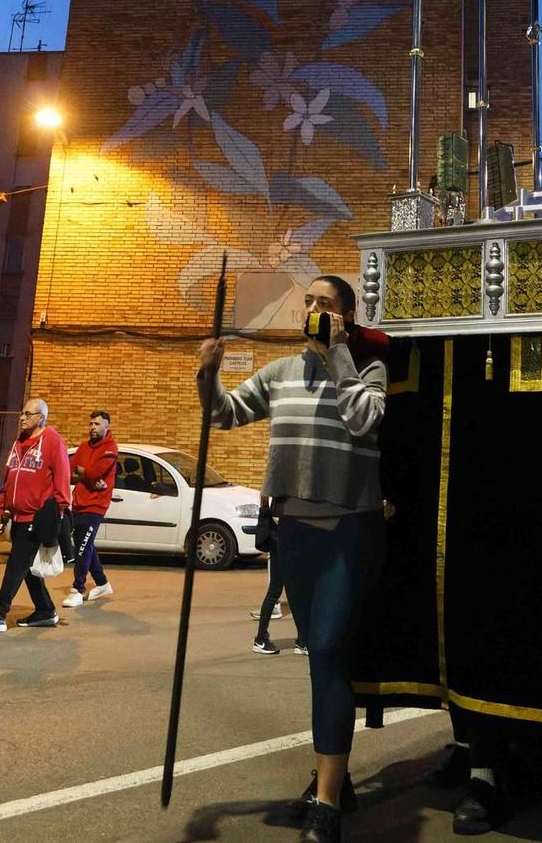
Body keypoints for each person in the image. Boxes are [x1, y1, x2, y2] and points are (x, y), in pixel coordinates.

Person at [199, 273, 386, 843]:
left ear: (346, 318)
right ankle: (337, 777)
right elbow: (224, 414)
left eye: (325, 304)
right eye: (308, 302)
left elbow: (363, 419)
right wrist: (206, 374)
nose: (311, 310)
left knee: (328, 646)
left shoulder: (366, 370)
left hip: (349, 529)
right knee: (319, 659)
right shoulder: (281, 374)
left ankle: (327, 802)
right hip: (295, 532)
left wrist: (339, 357)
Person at [0, 398, 70, 632]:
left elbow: (62, 479)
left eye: (28, 414)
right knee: (25, 567)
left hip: (37, 517)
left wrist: (58, 509)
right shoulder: (19, 442)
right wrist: (0, 508)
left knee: (17, 563)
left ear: (41, 417)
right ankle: (45, 610)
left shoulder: (53, 441)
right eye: (22, 413)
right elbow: (9, 478)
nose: (22, 417)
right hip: (17, 517)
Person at [63, 408, 118, 609]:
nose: (92, 427)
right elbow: (71, 471)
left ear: (106, 426)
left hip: (96, 505)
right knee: (85, 546)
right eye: (91, 424)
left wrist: (85, 473)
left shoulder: (110, 447)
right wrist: (87, 475)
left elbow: (96, 472)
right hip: (79, 503)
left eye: (97, 424)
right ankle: (102, 583)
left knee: (83, 547)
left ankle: (78, 588)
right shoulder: (84, 446)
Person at [249, 494, 307, 656]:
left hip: (279, 537)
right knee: (293, 592)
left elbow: (265, 495)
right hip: (285, 539)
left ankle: (262, 638)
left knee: (278, 590)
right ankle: (300, 640)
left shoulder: (281, 481)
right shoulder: (289, 483)